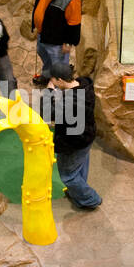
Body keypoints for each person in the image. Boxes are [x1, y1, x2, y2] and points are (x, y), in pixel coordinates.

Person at [47, 60, 101, 209]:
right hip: (87, 137)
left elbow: (47, 112)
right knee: (80, 167)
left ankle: (91, 199)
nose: (51, 81)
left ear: (60, 80)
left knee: (68, 175)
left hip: (74, 143)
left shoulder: (72, 101)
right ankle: (78, 195)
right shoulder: (83, 84)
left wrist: (50, 91)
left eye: (53, 79)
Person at [31, 0, 83, 87]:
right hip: (44, 34)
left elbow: (74, 23)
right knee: (43, 53)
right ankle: (48, 75)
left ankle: (59, 86)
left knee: (58, 64)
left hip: (57, 40)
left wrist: (69, 42)